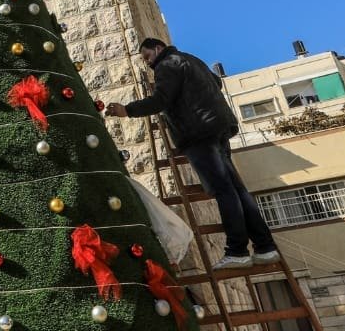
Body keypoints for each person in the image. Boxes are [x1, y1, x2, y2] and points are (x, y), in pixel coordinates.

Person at [106, 38, 279, 270]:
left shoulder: (166, 65)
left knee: (224, 191)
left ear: (158, 49)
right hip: (219, 128)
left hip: (198, 133)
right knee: (237, 189)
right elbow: (216, 82)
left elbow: (160, 100)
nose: (148, 64)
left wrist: (127, 110)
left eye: (147, 57)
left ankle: (237, 250)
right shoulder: (192, 59)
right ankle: (265, 246)